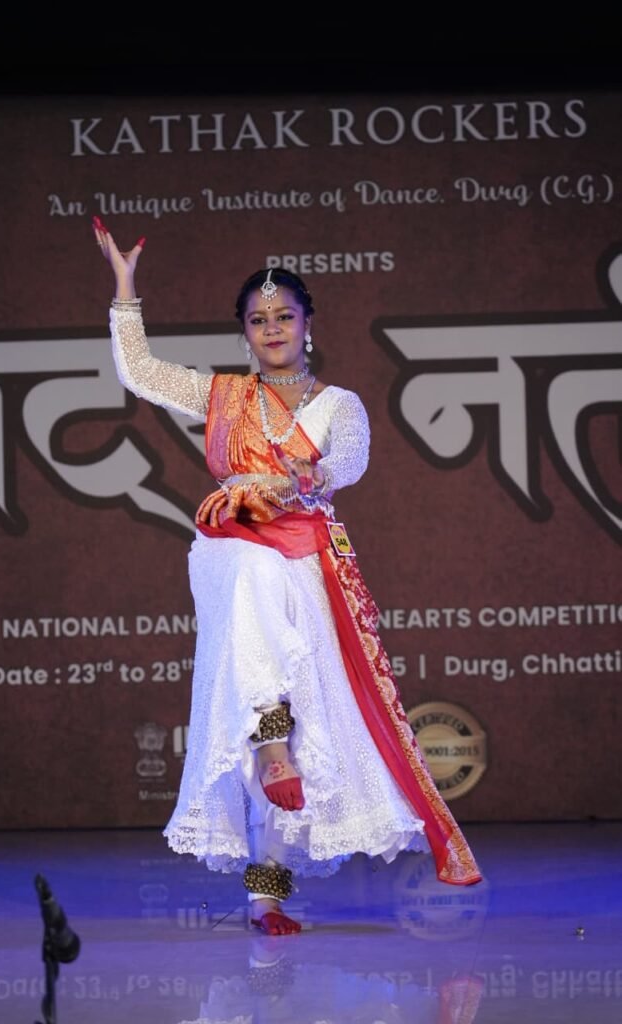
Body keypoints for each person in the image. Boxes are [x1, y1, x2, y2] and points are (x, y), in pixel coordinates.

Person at [94, 216, 482, 936]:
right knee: (252, 584)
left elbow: (351, 460)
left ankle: (266, 894)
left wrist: (314, 475)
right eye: (257, 319)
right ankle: (271, 744)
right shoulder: (221, 395)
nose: (271, 328)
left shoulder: (339, 405)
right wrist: (125, 287)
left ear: (308, 325)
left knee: (304, 734)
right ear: (244, 333)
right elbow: (139, 372)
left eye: (284, 316)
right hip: (232, 546)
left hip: (305, 560)